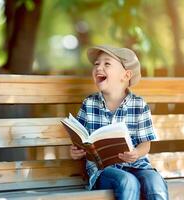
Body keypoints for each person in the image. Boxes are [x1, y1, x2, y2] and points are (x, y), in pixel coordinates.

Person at [70, 45, 169, 200]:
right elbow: (80, 140)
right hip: (104, 171)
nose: (99, 67)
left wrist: (136, 153)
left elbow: (145, 144)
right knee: (128, 182)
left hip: (137, 166)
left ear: (126, 75)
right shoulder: (89, 104)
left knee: (155, 182)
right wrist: (76, 152)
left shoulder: (139, 105)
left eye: (107, 64)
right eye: (96, 64)